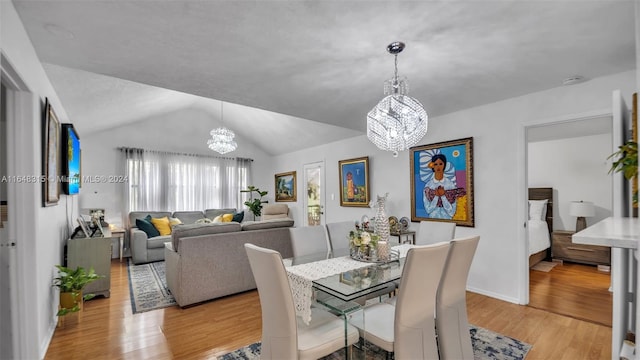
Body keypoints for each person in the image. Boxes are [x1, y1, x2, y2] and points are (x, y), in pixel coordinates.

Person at [423, 153, 458, 219]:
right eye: (435, 164)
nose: (438, 166)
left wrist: (443, 196)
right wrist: (436, 196)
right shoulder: (428, 185)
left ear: (444, 165)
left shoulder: (450, 184)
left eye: (441, 164)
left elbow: (452, 212)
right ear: (432, 165)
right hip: (432, 221)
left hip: (447, 221)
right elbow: (428, 210)